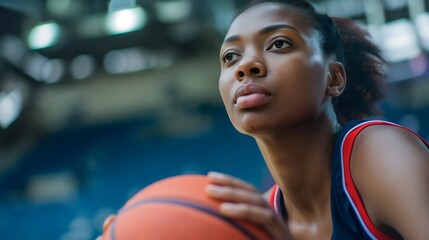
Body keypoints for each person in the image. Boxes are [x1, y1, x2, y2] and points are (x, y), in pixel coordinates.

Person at [204, 0, 429, 239]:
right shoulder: (260, 221)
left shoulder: (382, 153)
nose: (245, 66)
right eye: (230, 56)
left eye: (279, 43)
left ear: (333, 78)